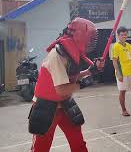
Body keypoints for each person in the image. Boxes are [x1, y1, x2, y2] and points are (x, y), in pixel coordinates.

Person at [29, 17, 104, 152]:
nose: (91, 41)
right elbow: (61, 89)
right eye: (90, 37)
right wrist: (84, 83)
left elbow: (69, 77)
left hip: (64, 103)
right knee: (41, 148)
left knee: (78, 142)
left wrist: (89, 71)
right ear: (80, 36)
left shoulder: (71, 52)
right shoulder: (57, 56)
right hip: (47, 105)